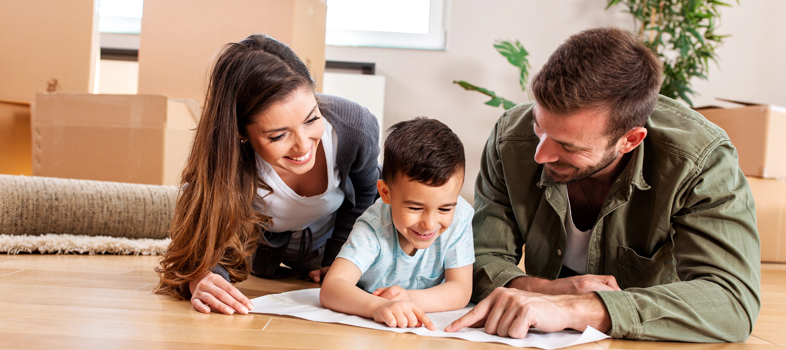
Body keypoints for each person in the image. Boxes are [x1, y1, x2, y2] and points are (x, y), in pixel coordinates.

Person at [446, 27, 761, 342]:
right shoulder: (510, 139)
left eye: (569, 147)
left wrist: (580, 309)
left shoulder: (700, 163)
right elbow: (479, 257)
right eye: (538, 127)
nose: (541, 155)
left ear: (629, 140)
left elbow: (732, 301)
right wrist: (546, 291)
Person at [154, 34, 381, 315]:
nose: (302, 146)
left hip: (337, 246)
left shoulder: (356, 127)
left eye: (312, 119)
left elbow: (367, 200)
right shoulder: (226, 161)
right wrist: (202, 277)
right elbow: (204, 241)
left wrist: (338, 263)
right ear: (240, 133)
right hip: (260, 256)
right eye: (278, 135)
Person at [320, 117, 474, 330]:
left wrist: (408, 299)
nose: (430, 224)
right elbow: (332, 287)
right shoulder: (373, 226)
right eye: (415, 208)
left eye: (445, 209)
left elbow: (461, 288)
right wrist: (378, 307)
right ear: (385, 193)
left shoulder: (461, 216)